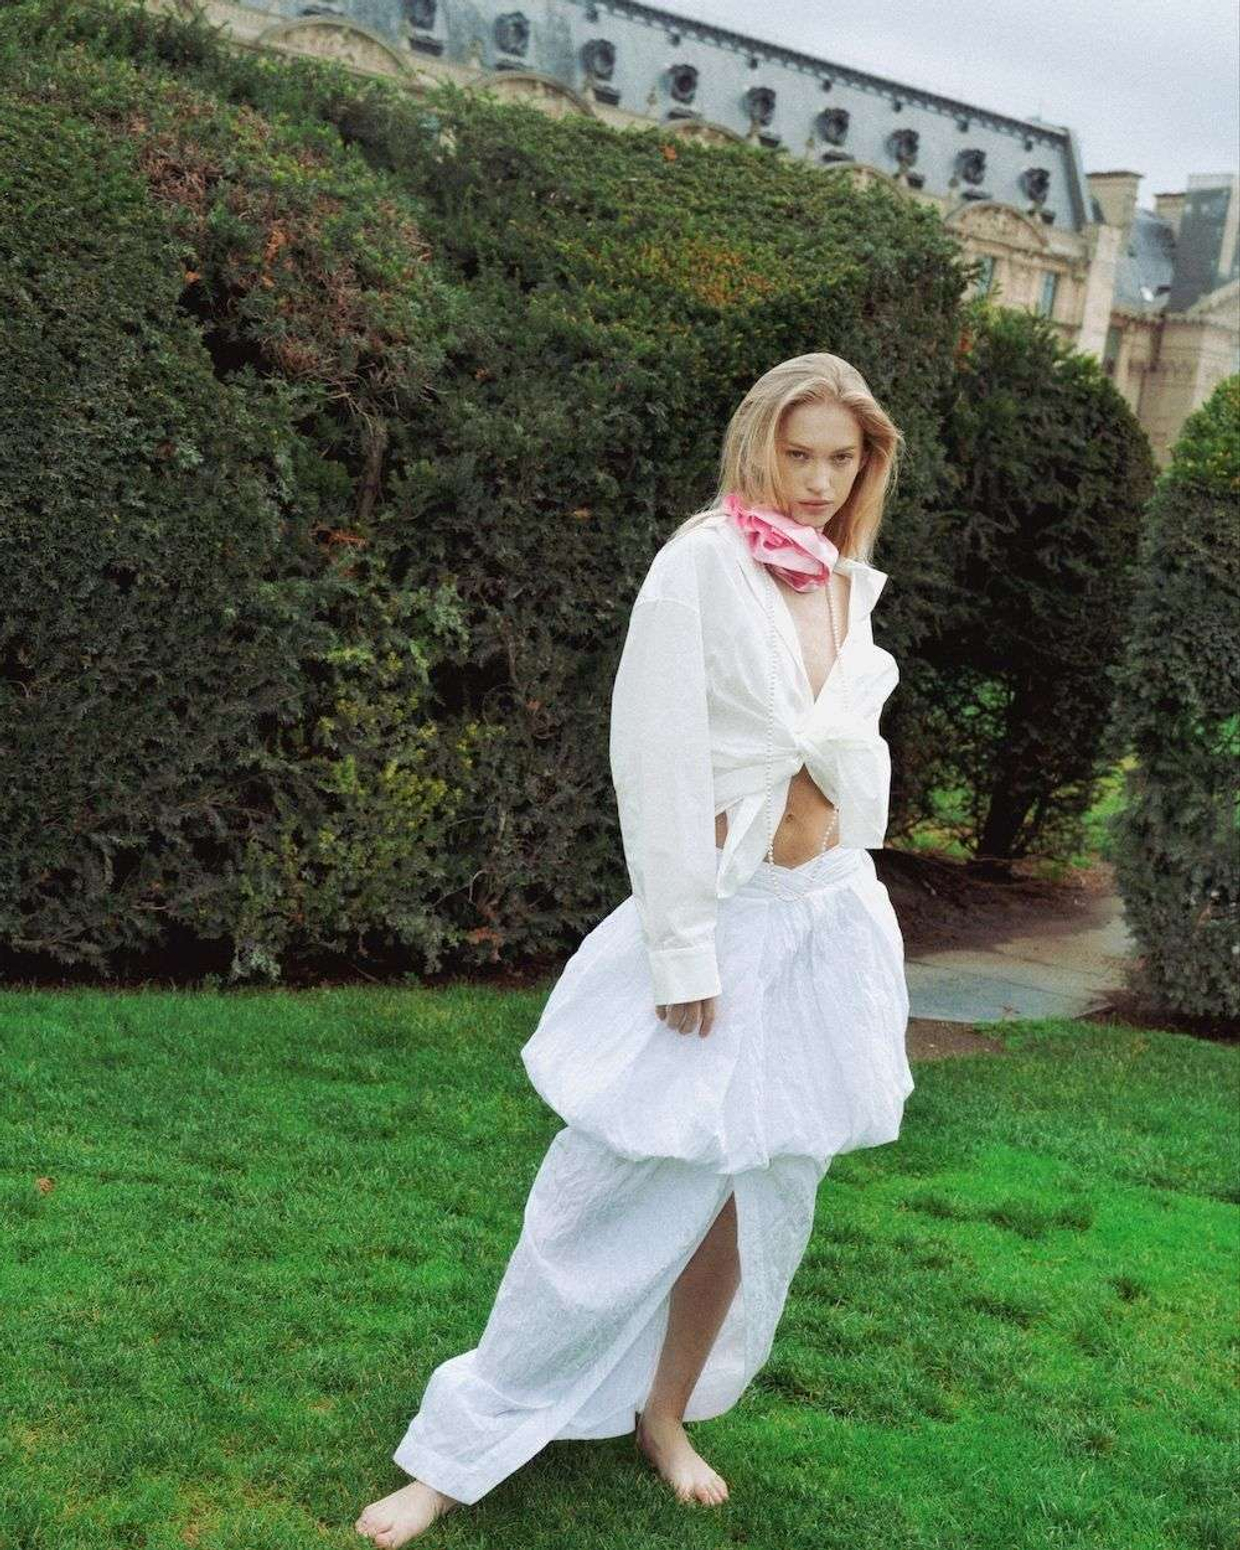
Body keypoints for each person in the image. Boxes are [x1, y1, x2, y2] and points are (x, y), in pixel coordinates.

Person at [355, 352, 915, 1546]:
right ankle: (451, 1456)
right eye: (798, 453)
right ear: (756, 444)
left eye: (841, 457)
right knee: (601, 1196)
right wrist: (681, 951)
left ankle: (665, 1412)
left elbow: (837, 747)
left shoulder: (847, 578)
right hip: (723, 919)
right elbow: (653, 766)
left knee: (753, 1196)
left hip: (822, 921)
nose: (817, 481)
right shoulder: (697, 564)